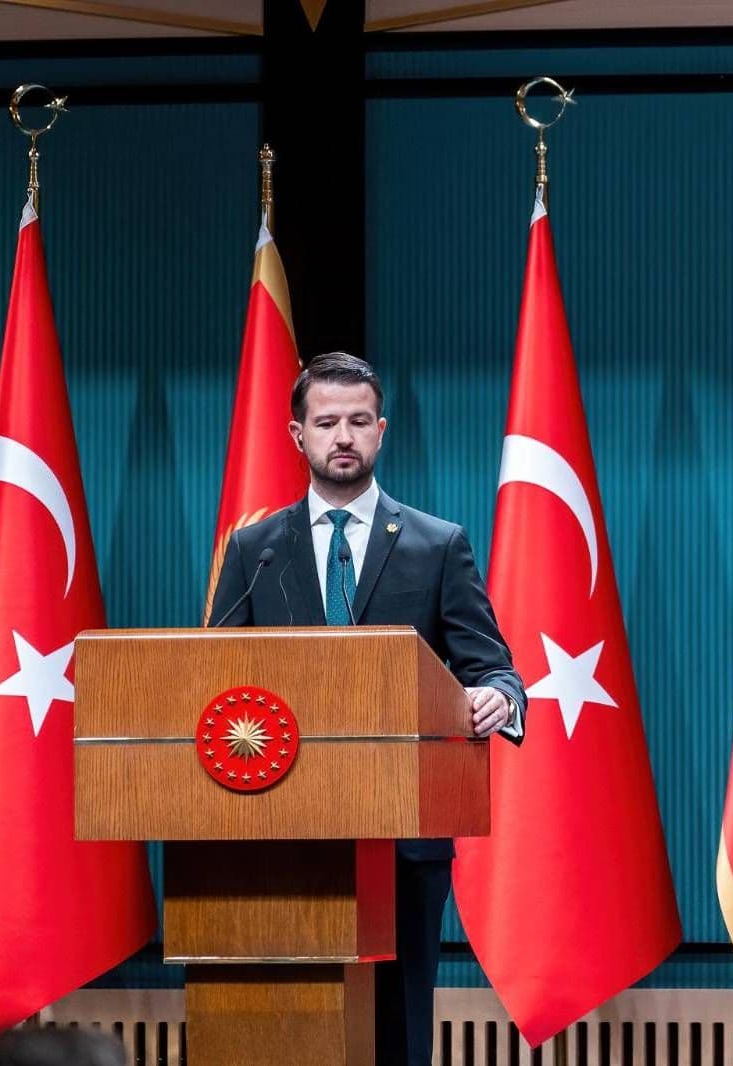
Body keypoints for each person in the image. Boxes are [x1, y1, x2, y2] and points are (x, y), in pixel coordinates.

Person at [208, 350, 525, 1066]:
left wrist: (495, 698)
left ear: (381, 430)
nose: (343, 437)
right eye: (327, 423)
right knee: (291, 1033)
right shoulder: (256, 549)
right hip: (282, 835)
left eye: (359, 421)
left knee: (398, 1031)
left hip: (403, 837)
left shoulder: (437, 544)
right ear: (298, 434)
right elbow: (215, 681)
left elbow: (494, 669)